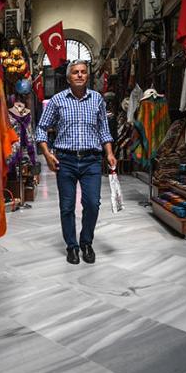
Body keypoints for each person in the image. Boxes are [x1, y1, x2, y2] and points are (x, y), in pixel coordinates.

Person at [36, 59, 117, 265]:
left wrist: (109, 152)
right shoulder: (57, 100)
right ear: (69, 77)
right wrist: (47, 154)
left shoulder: (97, 99)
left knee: (92, 204)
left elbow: (103, 130)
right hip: (65, 160)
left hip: (91, 160)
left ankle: (86, 242)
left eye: (83, 72)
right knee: (67, 206)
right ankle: (72, 246)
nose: (80, 75)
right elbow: (41, 128)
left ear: (87, 76)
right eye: (75, 72)